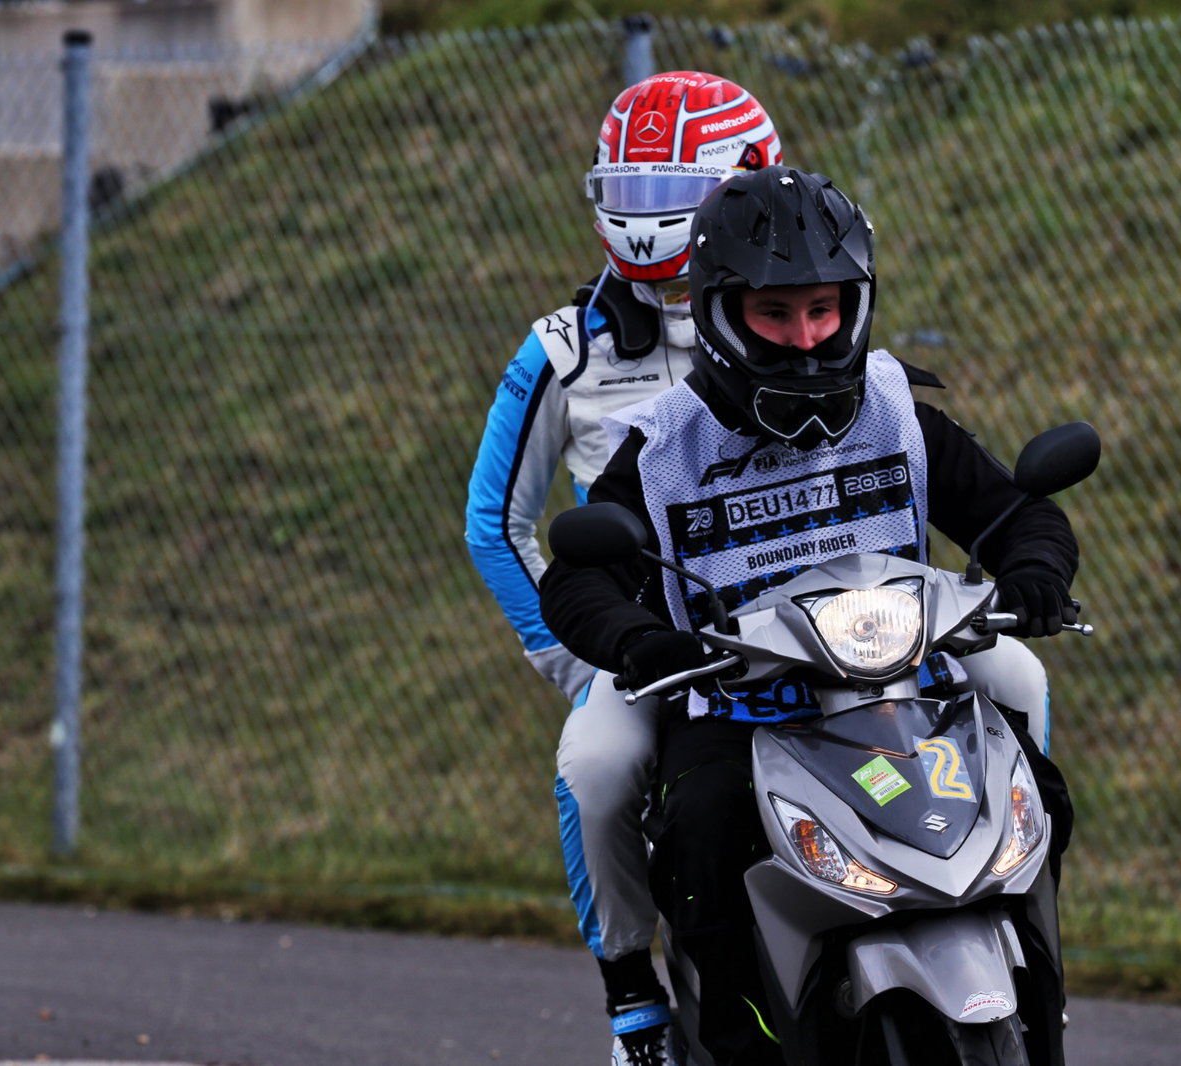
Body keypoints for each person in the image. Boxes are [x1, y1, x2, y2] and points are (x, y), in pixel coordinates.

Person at [538, 165, 1078, 1066]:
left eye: (825, 311)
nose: (806, 339)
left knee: (1033, 762)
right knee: (678, 818)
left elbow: (1020, 514)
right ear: (717, 312)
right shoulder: (662, 445)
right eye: (775, 315)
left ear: (856, 303)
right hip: (735, 704)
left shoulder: (897, 408)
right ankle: (666, 1014)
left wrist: (1033, 573)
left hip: (906, 680)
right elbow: (575, 582)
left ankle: (1038, 997)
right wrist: (640, 640)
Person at [464, 71, 784, 1066]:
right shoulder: (563, 349)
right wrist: (581, 662)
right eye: (631, 194)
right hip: (656, 646)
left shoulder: (804, 307)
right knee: (594, 768)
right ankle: (634, 1002)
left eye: (671, 196)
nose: (647, 225)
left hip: (814, 624)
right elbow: (494, 522)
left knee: (1008, 687)